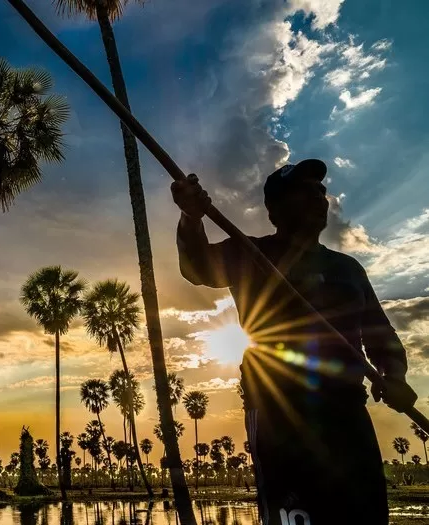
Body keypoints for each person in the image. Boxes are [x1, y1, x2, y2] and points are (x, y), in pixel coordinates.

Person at [171, 159, 418, 524]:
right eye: (306, 191)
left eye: (321, 191)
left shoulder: (347, 269)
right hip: (279, 414)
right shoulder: (249, 253)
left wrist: (394, 376)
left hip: (347, 412)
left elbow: (383, 338)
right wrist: (192, 218)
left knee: (364, 513)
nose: (320, 197)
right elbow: (197, 267)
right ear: (276, 210)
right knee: (293, 513)